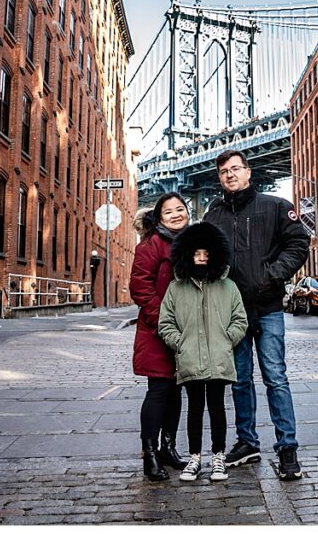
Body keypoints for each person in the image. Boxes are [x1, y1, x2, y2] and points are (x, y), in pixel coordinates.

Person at [203, 150, 310, 480]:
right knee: (240, 381)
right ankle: (247, 442)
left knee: (276, 377)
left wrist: (272, 274)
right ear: (220, 178)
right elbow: (203, 256)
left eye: (236, 168)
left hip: (267, 308)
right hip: (232, 313)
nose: (230, 175)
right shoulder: (213, 213)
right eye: (224, 171)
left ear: (249, 173)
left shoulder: (275, 206)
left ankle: (287, 448)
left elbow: (298, 243)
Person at [157, 222, 248, 482]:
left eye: (206, 254)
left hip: (219, 358)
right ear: (187, 254)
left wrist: (226, 340)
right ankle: (195, 458)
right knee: (194, 409)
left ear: (214, 255)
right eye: (196, 253)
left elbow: (240, 320)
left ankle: (218, 457)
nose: (201, 258)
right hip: (190, 359)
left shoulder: (228, 287)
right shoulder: (176, 288)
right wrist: (181, 343)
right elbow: (166, 322)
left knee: (217, 408)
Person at [128, 193, 191, 481]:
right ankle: (149, 453)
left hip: (187, 330)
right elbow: (141, 289)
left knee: (177, 390)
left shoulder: (192, 243)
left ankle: (168, 448)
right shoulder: (150, 245)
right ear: (159, 217)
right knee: (159, 390)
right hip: (158, 330)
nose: (176, 214)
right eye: (169, 211)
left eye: (181, 209)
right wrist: (165, 323)